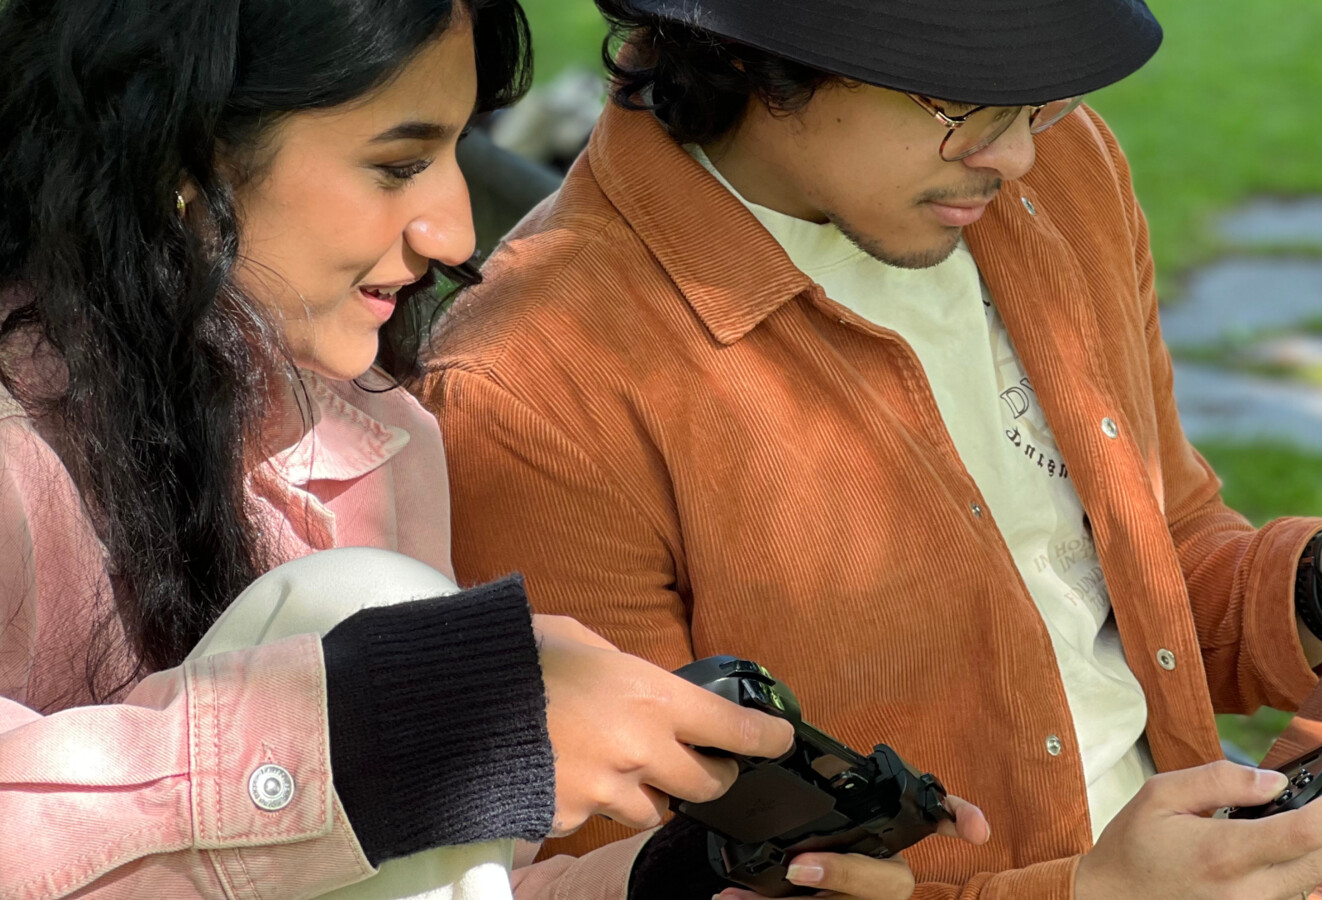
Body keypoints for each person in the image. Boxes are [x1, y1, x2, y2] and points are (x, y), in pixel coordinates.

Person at [420, 0, 1322, 897]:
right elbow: (636, 877)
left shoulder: (1061, 173)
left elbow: (1152, 567)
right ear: (759, 56)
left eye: (1043, 99)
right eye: (967, 102)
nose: (1014, 156)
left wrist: (1316, 586)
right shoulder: (537, 384)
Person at [0, 1, 984, 897]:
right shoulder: (17, 464)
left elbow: (437, 887)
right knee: (364, 601)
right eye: (396, 163)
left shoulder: (381, 439)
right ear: (180, 158)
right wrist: (391, 733)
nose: (455, 230)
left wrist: (681, 880)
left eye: (456, 152)